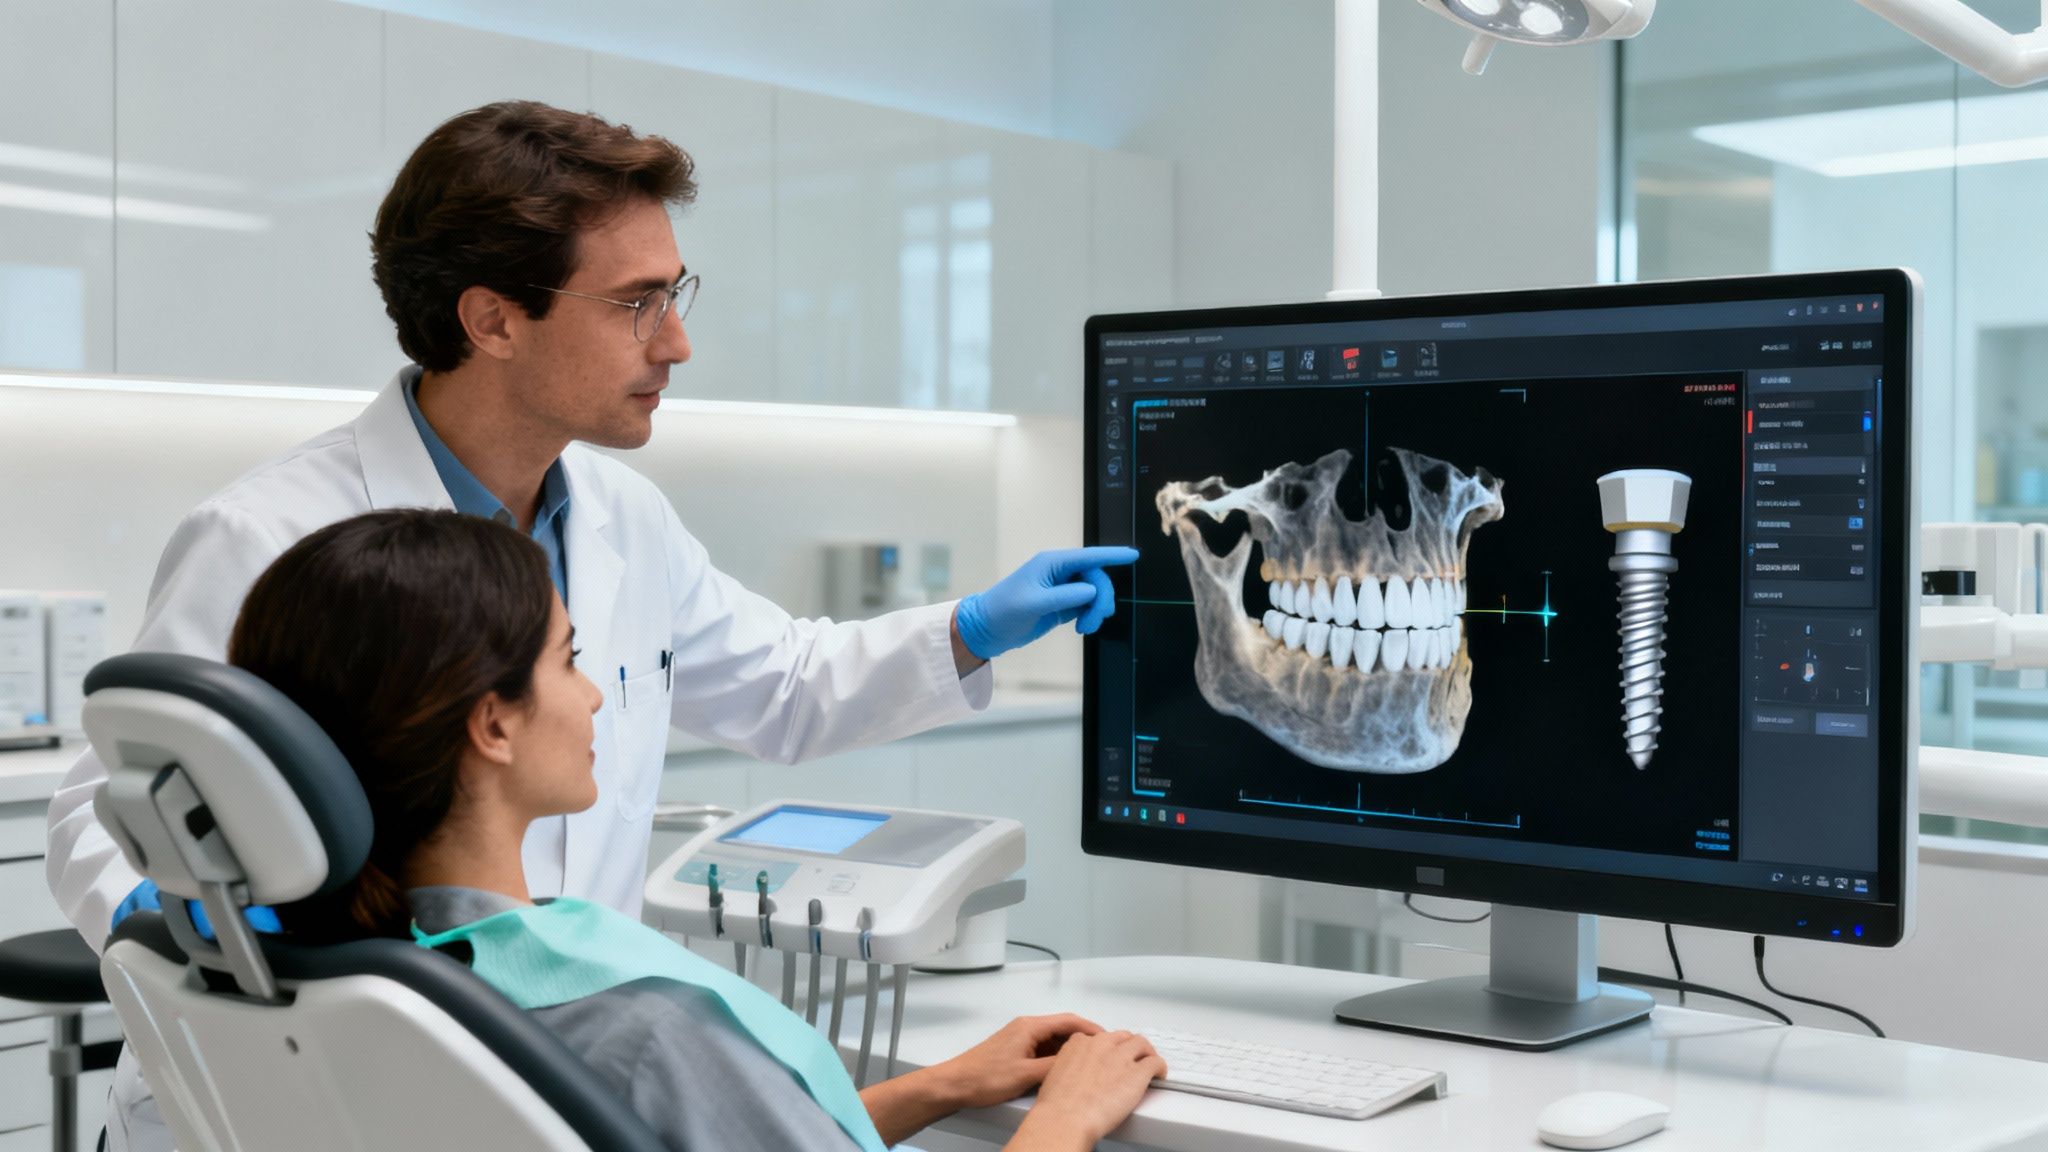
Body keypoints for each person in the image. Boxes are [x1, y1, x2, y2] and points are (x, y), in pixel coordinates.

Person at [45, 99, 1136, 1150]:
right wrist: (200, 924)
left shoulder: (624, 519)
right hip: (310, 1094)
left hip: (558, 1067)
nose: (678, 342)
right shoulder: (277, 536)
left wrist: (972, 630)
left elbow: (781, 684)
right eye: (637, 303)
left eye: (675, 293)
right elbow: (107, 810)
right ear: (492, 320)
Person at [229, 508, 1164, 1151]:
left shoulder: (380, 971)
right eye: (571, 661)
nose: (599, 697)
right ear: (494, 725)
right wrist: (1067, 1122)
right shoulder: (637, 1021)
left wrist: (939, 1087)